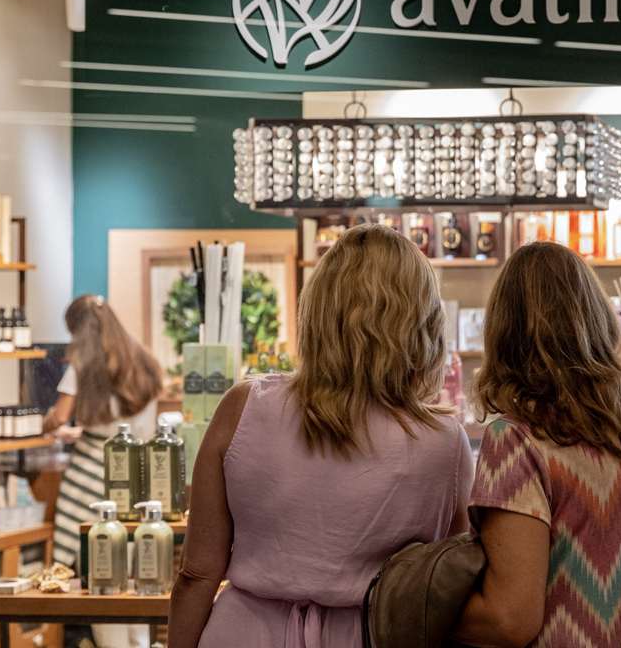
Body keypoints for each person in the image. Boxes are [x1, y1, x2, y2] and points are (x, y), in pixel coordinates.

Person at [168, 224, 473, 648]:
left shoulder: (244, 407)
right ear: (423, 321)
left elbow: (197, 573)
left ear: (316, 309)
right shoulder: (444, 443)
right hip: (370, 634)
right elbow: (449, 580)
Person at [453, 241, 621, 648]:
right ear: (598, 317)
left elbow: (510, 620)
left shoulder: (516, 440)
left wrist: (414, 609)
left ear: (503, 332)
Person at [42, 294, 164, 648]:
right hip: (136, 479)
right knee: (133, 573)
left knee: (99, 572)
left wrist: (47, 421)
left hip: (91, 480)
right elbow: (125, 424)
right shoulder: (141, 358)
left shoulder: (83, 366)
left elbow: (59, 418)